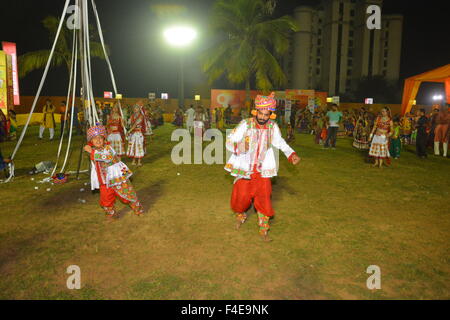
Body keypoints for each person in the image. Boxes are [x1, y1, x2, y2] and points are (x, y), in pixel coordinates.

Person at [225, 92, 301, 242]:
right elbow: (229, 141)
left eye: (266, 115)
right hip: (245, 170)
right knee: (240, 198)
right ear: (256, 111)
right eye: (260, 113)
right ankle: (241, 215)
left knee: (264, 198)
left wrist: (291, 154)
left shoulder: (273, 127)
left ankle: (263, 227)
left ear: (271, 115)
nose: (262, 117)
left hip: (262, 171)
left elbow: (281, 143)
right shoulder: (245, 124)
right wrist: (239, 146)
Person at [84, 125, 144, 221]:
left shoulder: (109, 148)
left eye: (100, 138)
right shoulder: (94, 151)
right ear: (91, 141)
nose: (98, 140)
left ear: (104, 139)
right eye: (95, 138)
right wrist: (91, 151)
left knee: (126, 194)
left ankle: (138, 208)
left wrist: (91, 152)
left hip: (118, 178)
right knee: (106, 199)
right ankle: (111, 214)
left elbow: (107, 158)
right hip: (104, 181)